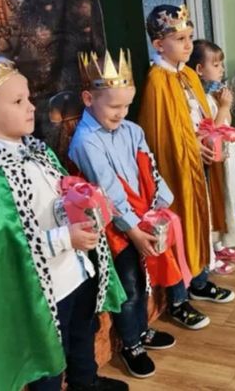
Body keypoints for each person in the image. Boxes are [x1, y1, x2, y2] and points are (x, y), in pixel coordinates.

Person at [0, 57, 127, 391]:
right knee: (49, 359)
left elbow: (56, 201)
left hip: (74, 272)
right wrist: (66, 238)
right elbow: (10, 246)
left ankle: (85, 383)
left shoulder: (38, 152)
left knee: (82, 334)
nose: (30, 107)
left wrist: (85, 202)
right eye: (18, 101)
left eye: (28, 98)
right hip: (45, 289)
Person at [69, 49, 187, 380]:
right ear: (88, 98)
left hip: (141, 217)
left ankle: (141, 330)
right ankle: (131, 343)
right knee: (129, 284)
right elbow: (108, 192)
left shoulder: (132, 130)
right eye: (114, 107)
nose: (122, 113)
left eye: (126, 106)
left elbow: (150, 167)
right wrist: (134, 230)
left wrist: (160, 204)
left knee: (143, 277)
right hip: (114, 229)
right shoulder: (86, 141)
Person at [139, 4, 235, 314]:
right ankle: (178, 298)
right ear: (158, 44)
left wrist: (211, 138)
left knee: (201, 221)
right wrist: (191, 145)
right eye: (180, 39)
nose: (188, 45)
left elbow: (200, 119)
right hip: (177, 170)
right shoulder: (157, 80)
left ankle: (199, 280)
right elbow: (159, 135)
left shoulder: (190, 75)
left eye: (190, 37)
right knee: (181, 225)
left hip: (200, 163)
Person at [188, 39, 235, 270]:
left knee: (224, 204)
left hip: (225, 157)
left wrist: (223, 105)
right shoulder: (195, 99)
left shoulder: (212, 95)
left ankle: (220, 244)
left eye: (221, 64)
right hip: (210, 158)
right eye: (215, 65)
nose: (222, 69)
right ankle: (211, 254)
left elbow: (226, 123)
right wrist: (224, 107)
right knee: (213, 205)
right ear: (199, 69)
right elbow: (209, 132)